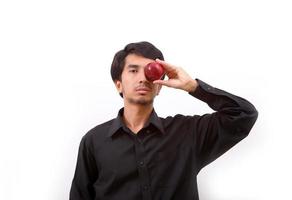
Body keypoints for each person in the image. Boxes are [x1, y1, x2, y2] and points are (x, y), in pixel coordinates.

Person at [69, 41, 258, 200]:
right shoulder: (94, 140)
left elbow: (244, 115)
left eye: (149, 72)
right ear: (119, 84)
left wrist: (193, 86)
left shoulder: (187, 133)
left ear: (159, 87)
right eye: (133, 71)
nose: (143, 78)